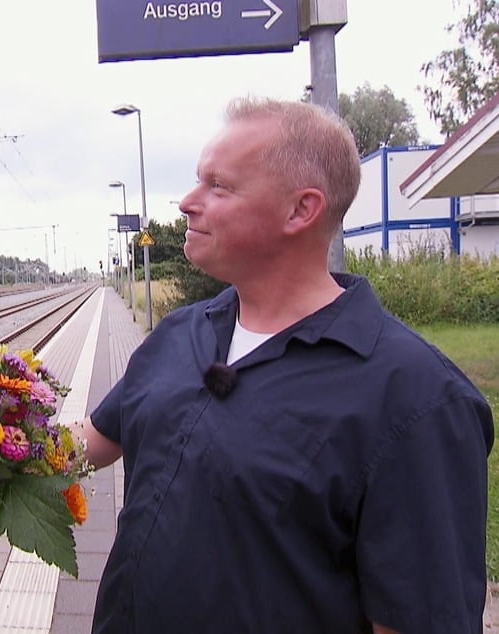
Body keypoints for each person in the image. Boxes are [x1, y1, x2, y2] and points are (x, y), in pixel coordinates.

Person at [74, 97, 494, 633]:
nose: (186, 202)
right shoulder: (181, 333)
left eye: (218, 186)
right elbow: (91, 441)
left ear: (301, 210)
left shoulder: (416, 399)